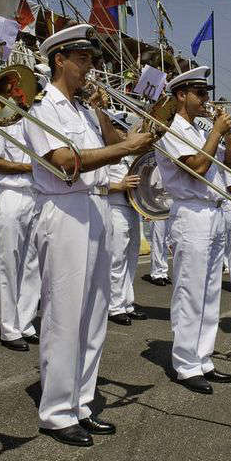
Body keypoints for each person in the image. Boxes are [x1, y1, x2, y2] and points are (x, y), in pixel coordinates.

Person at [23, 24, 153, 446]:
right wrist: (124, 149)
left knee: (94, 315)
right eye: (83, 59)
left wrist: (102, 112)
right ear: (60, 60)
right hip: (64, 209)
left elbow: (114, 141)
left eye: (92, 59)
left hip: (95, 206)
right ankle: (57, 412)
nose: (90, 67)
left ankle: (81, 401)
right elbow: (64, 161)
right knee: (64, 313)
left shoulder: (81, 110)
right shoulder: (43, 108)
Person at [155, 65, 231, 395]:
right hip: (191, 213)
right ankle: (186, 363)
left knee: (210, 290)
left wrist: (228, 133)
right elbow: (198, 169)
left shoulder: (202, 131)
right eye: (200, 93)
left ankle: (203, 357)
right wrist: (217, 131)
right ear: (181, 96)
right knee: (190, 290)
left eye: (205, 93)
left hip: (215, 212)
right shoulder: (171, 131)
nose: (206, 99)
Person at [0, 103, 41, 351]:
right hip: (10, 194)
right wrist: (31, 167)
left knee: (32, 265)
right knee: (9, 263)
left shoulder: (38, 125)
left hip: (35, 195)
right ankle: (9, 328)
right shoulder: (2, 123)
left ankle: (25, 322)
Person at [106, 113, 148, 326]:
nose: (122, 132)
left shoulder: (130, 155)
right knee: (117, 258)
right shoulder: (107, 153)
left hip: (132, 209)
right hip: (115, 207)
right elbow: (99, 183)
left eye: (124, 129)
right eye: (118, 128)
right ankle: (114, 306)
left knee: (131, 258)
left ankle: (126, 303)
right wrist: (119, 186)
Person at [148, 217, 172, 285]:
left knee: (165, 243)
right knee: (157, 243)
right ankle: (156, 274)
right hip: (157, 213)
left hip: (167, 213)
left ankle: (163, 273)